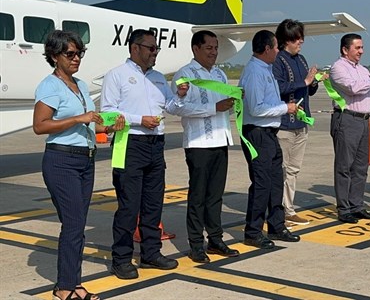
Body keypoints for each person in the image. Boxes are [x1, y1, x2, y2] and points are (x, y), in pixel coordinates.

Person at [33, 30, 124, 300]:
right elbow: (40, 126)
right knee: (73, 224)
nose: (76, 59)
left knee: (77, 224)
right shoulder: (50, 86)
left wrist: (109, 128)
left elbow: (93, 125)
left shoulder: (81, 85)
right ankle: (64, 288)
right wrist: (77, 119)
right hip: (61, 161)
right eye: (69, 54)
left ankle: (74, 283)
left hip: (85, 159)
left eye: (79, 53)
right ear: (54, 56)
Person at [101, 29, 187, 279]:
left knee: (153, 203)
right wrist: (140, 120)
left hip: (155, 144)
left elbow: (171, 107)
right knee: (129, 206)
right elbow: (108, 112)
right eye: (151, 48)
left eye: (156, 49)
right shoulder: (117, 75)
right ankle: (122, 258)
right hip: (129, 143)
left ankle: (151, 253)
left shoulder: (159, 78)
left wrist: (180, 96)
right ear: (134, 48)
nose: (155, 53)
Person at [167, 30, 240, 263]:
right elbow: (178, 107)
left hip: (221, 139)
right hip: (198, 143)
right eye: (209, 48)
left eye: (216, 48)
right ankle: (196, 244)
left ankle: (216, 239)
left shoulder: (219, 74)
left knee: (215, 195)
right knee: (198, 196)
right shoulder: (184, 75)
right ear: (196, 49)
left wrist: (232, 103)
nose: (214, 52)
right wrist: (213, 108)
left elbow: (223, 106)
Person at [238, 30, 301, 249]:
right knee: (262, 182)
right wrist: (286, 108)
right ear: (266, 49)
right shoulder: (255, 72)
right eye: (275, 47)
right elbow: (256, 108)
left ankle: (276, 224)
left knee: (276, 180)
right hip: (257, 133)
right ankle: (253, 231)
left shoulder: (266, 69)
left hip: (269, 134)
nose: (278, 51)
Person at [329, 33, 370, 224]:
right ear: (345, 50)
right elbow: (353, 88)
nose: (361, 51)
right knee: (344, 166)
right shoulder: (338, 68)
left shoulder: (362, 69)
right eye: (357, 48)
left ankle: (357, 205)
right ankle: (344, 208)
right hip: (347, 119)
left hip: (363, 120)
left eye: (362, 47)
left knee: (361, 167)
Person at [272, 19, 325, 227]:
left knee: (294, 169)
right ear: (286, 40)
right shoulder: (278, 60)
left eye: (301, 37)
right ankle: (279, 210)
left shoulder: (301, 59)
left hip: (301, 123)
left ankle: (289, 209)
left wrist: (314, 82)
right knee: (282, 169)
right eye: (296, 38)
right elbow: (279, 87)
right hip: (284, 123)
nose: (301, 41)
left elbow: (307, 89)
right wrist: (304, 82)